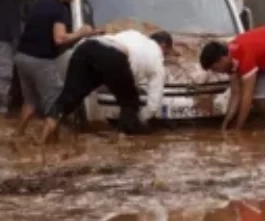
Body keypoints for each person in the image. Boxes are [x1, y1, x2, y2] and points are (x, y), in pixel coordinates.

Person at [40, 30, 173, 143]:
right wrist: (142, 119)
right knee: (130, 103)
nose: (166, 56)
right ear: (163, 46)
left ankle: (43, 142)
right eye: (167, 52)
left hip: (86, 46)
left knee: (69, 97)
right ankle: (123, 145)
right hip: (114, 56)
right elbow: (155, 98)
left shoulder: (135, 34)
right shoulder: (157, 57)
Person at [14, 0, 94, 135]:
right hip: (40, 61)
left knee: (30, 102)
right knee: (56, 104)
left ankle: (18, 135)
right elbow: (59, 38)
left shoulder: (40, 2)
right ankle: (47, 144)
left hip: (22, 57)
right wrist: (80, 33)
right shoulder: (59, 9)